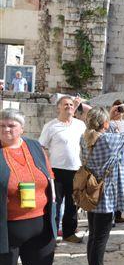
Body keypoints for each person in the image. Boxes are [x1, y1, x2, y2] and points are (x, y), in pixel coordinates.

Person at [0, 109, 57, 265]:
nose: (6, 129)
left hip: (40, 219)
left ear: (21, 129)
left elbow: (48, 173)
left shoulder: (33, 146)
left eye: (11, 125)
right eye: (2, 125)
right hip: (8, 223)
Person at [81, 105, 124, 265]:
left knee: (93, 236)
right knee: (100, 238)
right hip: (105, 194)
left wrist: (111, 118)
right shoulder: (108, 140)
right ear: (105, 123)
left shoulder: (85, 138)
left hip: (91, 191)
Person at [39, 96, 85, 244]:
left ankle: (69, 233)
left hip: (75, 170)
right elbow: (41, 147)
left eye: (71, 104)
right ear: (58, 107)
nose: (69, 107)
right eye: (65, 104)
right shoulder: (51, 126)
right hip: (56, 170)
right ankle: (51, 234)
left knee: (73, 204)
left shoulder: (80, 125)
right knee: (55, 204)